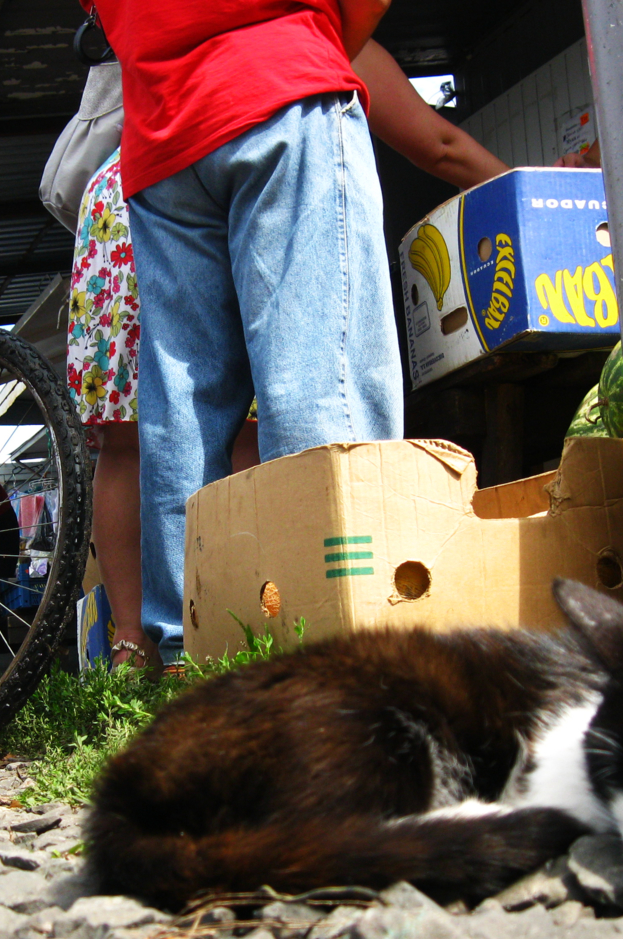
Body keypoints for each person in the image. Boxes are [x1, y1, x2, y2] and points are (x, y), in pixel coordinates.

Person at [66, 38, 504, 670]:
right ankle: (334, 636)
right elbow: (440, 144)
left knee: (170, 417)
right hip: (274, 96)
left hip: (149, 158)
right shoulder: (315, 27)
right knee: (309, 385)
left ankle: (176, 649)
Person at [85, 0, 407, 664]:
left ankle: (184, 650)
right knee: (321, 376)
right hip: (280, 81)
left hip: (161, 134)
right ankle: (338, 634)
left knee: (183, 405)